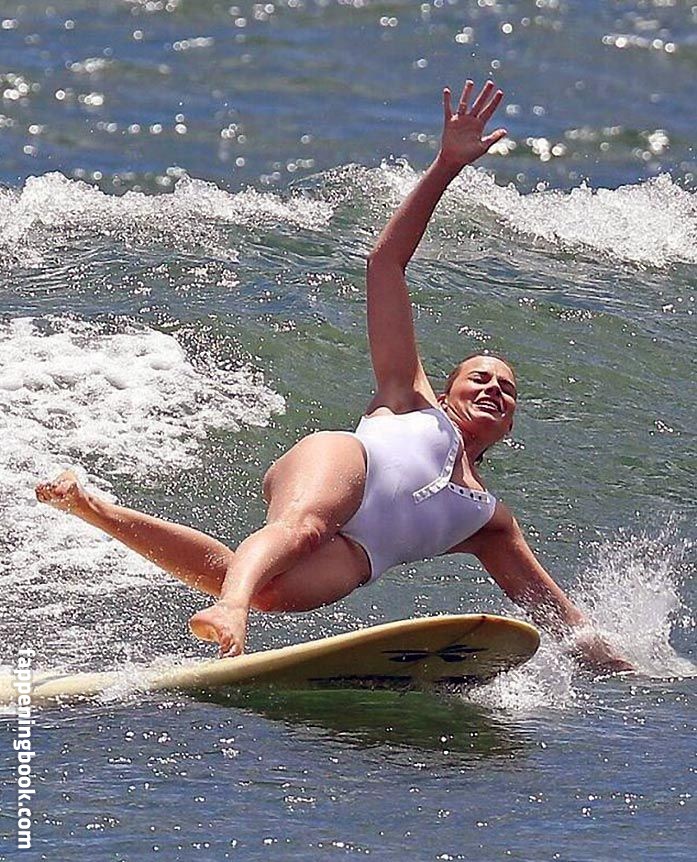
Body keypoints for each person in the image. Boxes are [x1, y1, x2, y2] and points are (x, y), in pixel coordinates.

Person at [36, 79, 631, 672]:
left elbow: (559, 617)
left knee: (266, 586)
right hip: (344, 464)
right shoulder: (411, 399)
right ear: (448, 391)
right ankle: (231, 611)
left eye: (506, 390)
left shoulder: (487, 521)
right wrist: (446, 166)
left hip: (360, 550)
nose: (494, 389)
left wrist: (635, 674)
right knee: (302, 529)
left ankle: (96, 510)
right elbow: (385, 264)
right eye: (479, 378)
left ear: (511, 424)